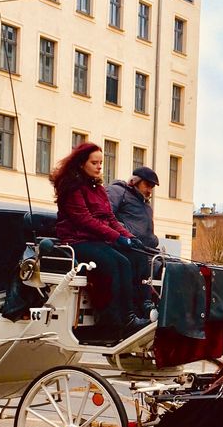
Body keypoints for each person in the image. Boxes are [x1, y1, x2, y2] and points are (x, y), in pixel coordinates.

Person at [50, 142, 149, 341]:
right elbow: (84, 220)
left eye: (101, 163)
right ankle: (115, 321)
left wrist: (129, 237)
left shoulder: (98, 188)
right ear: (81, 164)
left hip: (97, 240)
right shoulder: (72, 188)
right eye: (94, 163)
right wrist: (116, 238)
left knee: (139, 258)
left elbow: (111, 219)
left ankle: (141, 310)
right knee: (118, 263)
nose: (99, 167)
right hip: (77, 241)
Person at [106, 166, 160, 250]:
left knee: (180, 263)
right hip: (124, 248)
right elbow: (104, 217)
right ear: (134, 181)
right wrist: (124, 232)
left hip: (144, 251)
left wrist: (153, 240)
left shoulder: (146, 206)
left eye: (151, 187)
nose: (149, 190)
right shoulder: (118, 191)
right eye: (147, 185)